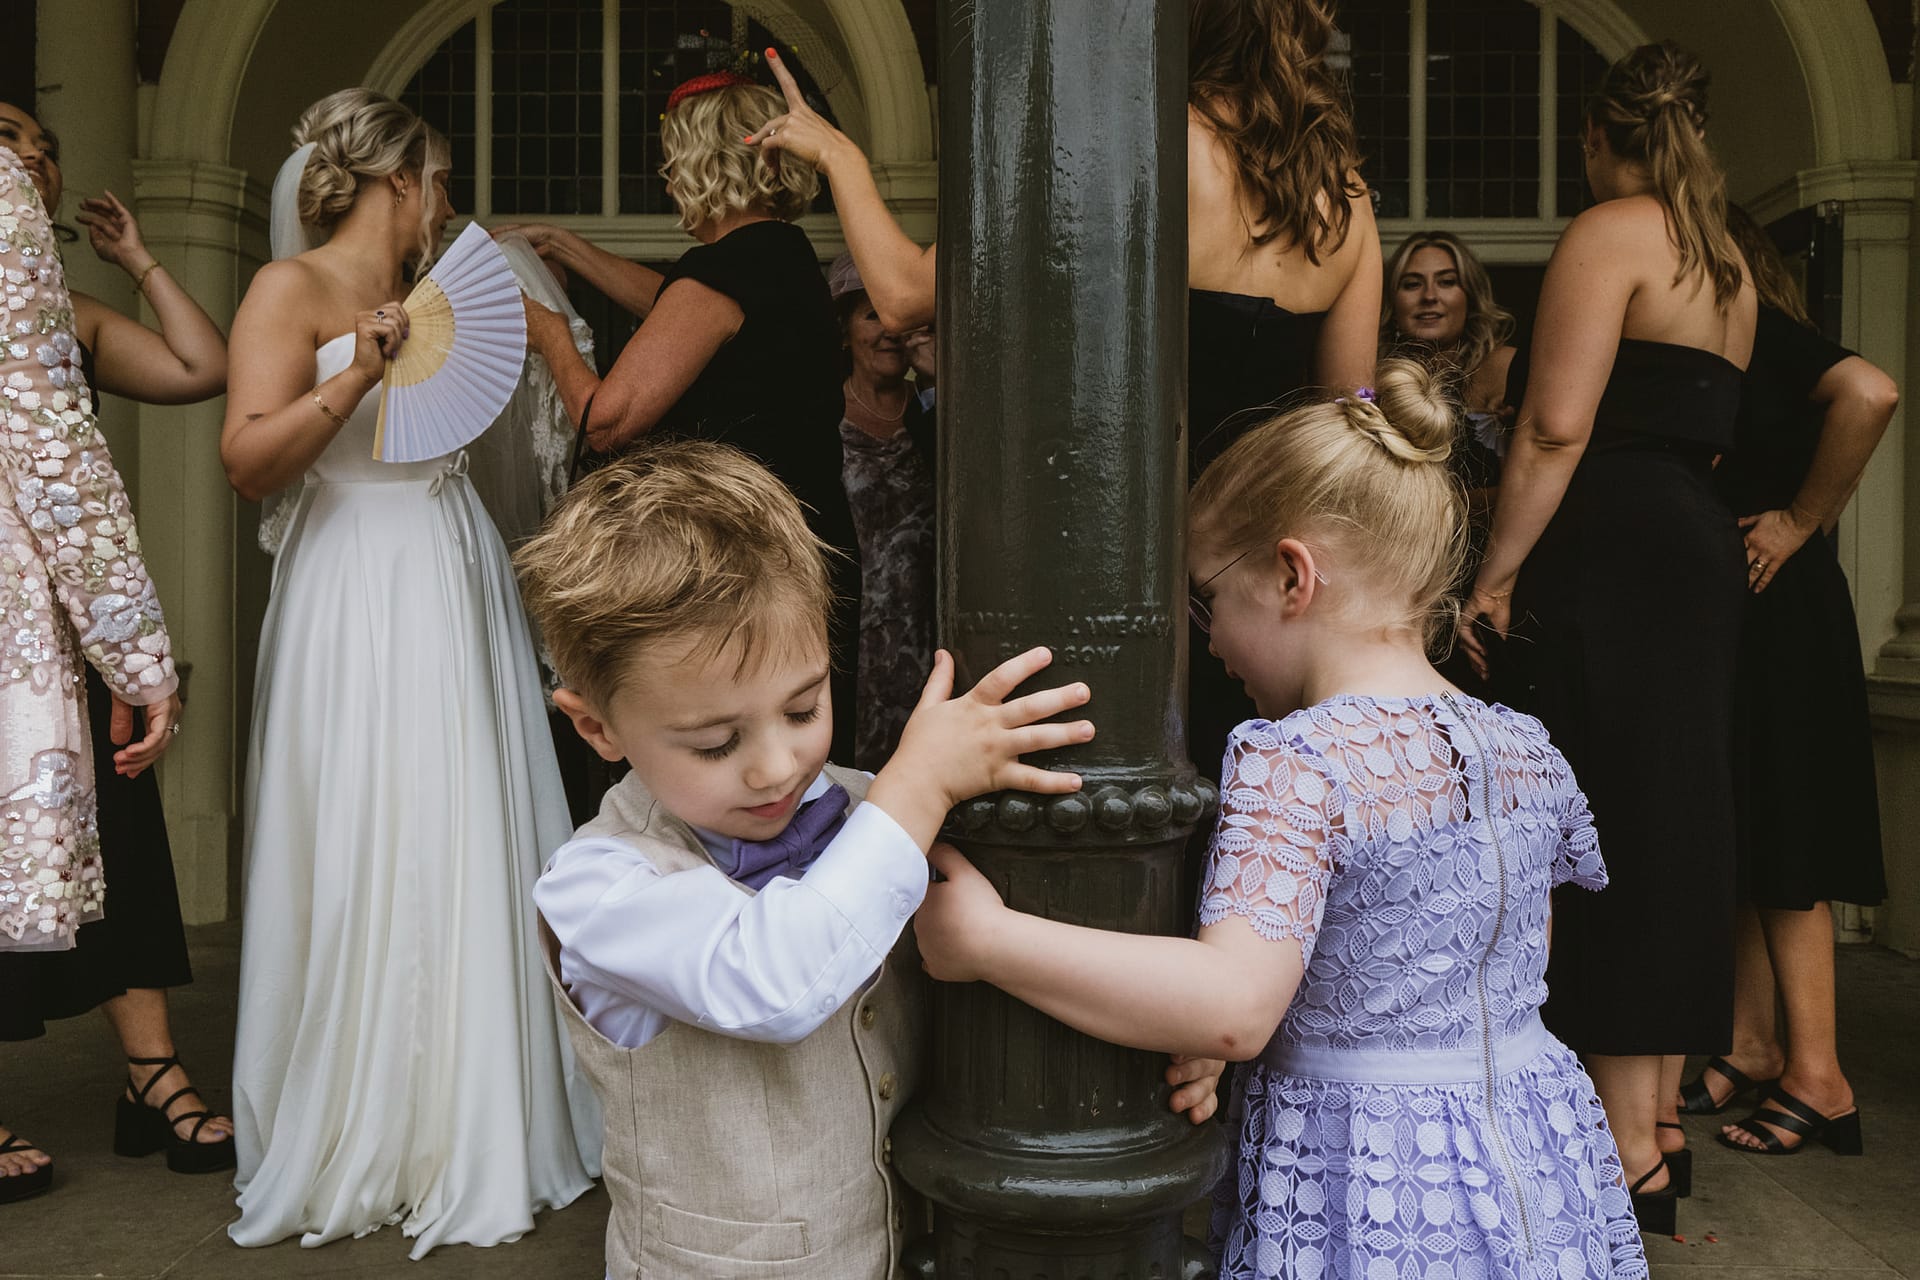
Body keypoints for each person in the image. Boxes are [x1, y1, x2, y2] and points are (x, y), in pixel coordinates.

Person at [913, 359, 1651, 1276]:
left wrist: (985, 939)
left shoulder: (1294, 758)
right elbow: (1468, 956)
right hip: (1539, 1163)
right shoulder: (1524, 748)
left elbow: (1233, 1008)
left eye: (1208, 598)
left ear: (1292, 576)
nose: (1210, 638)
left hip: (1375, 1183)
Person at [517, 441, 1201, 1276]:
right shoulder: (598, 887)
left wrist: (1174, 1044)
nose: (774, 766)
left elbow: (1042, 947)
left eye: (803, 707)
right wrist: (916, 790)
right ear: (597, 729)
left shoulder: (872, 809)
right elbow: (772, 979)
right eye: (714, 742)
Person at [749, 5, 1383, 776]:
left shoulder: (1148, 143)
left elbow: (905, 295)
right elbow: (1349, 414)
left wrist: (839, 155)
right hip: (1270, 587)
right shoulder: (1341, 189)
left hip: (1120, 574)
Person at [219, 88, 595, 1254]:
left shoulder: (440, 294)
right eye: (438, 180)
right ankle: (355, 1109)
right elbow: (246, 459)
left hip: (447, 557)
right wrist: (357, 374)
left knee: (460, 822)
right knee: (360, 822)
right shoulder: (290, 291)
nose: (446, 202)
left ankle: (471, 1109)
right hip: (350, 569)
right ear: (400, 183)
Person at [1457, 42, 1756, 1224]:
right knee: (1674, 818)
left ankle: (1619, 1140)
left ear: (1597, 134)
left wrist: (1494, 574)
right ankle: (1653, 1125)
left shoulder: (1610, 230)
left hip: (1611, 546)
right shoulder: (1724, 256)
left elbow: (1553, 428)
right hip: (1692, 541)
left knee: (1594, 826)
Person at [0, 100, 234, 1185]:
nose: (31, 157)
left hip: (63, 622)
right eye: (8, 137)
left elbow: (202, 366)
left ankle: (153, 1076)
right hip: (30, 618)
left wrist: (140, 259)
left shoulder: (69, 313)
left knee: (125, 834)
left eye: (43, 145)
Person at [506, 72, 860, 760]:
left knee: (734, 752)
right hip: (804, 542)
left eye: (672, 165)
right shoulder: (778, 255)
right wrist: (572, 248)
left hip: (742, 565)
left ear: (699, 165)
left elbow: (606, 421)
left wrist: (550, 334)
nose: (668, 184)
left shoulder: (725, 272)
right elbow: (677, 305)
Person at [1672, 206, 1893, 1159]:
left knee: (1787, 837)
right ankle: (1755, 1042)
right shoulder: (1734, 341)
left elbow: (1874, 393)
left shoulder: (1760, 324)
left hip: (1783, 608)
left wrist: (1801, 521)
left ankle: (1822, 1076)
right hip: (1752, 610)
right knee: (1750, 825)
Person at [1381, 230, 1519, 694]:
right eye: (1411, 283)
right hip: (1404, 579)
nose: (1429, 297)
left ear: (1470, 294)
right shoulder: (1373, 377)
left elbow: (1542, 484)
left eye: (1446, 281)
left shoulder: (1505, 368)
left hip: (1494, 574)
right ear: (1391, 299)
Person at [829, 253, 935, 769]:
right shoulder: (820, 416)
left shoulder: (935, 407)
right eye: (872, 316)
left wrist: (936, 379)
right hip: (850, 642)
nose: (889, 332)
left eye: (901, 319)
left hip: (929, 642)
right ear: (845, 332)